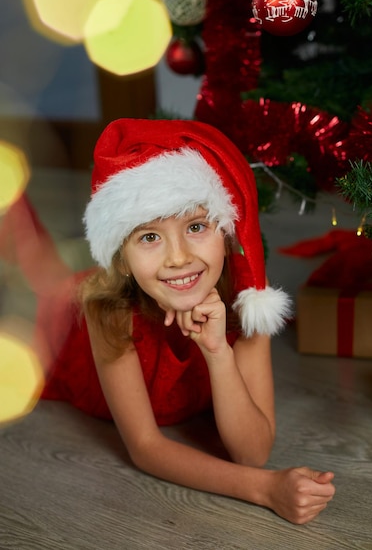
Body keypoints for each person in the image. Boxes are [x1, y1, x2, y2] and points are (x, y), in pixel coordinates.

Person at [35, 118, 335, 524]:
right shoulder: (108, 311)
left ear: (227, 236)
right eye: (149, 237)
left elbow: (253, 452)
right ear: (121, 259)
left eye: (195, 227)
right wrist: (263, 488)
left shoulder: (247, 305)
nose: (178, 258)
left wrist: (218, 352)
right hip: (57, 331)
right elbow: (145, 447)